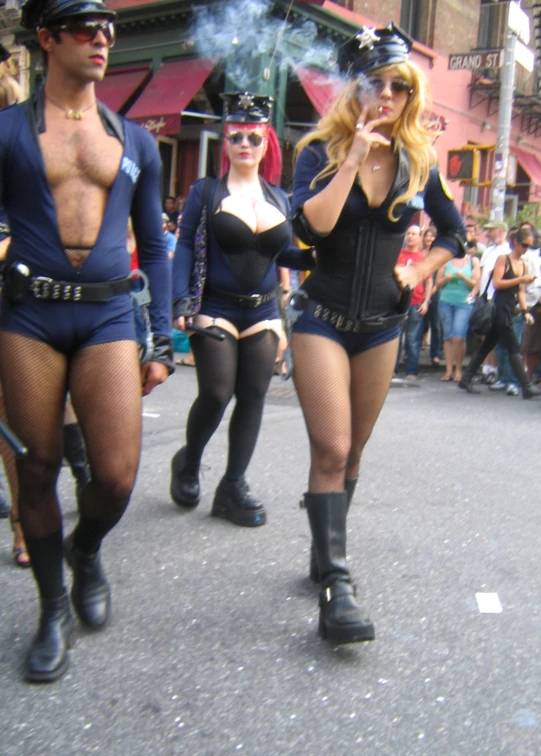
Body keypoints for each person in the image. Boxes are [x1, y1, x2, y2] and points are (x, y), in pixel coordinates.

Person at [0, 0, 173, 682]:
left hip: (105, 318)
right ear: (46, 39)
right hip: (28, 317)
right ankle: (50, 610)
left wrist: (160, 338)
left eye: (108, 27)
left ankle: (87, 548)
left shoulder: (135, 142)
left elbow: (155, 246)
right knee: (36, 469)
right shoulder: (9, 130)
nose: (101, 38)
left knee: (117, 476)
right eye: (83, 27)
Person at [289, 23, 466, 645]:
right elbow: (308, 232)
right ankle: (337, 585)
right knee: (332, 449)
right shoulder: (319, 151)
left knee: (354, 452)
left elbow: (454, 233)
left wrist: (418, 268)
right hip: (321, 320)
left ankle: (324, 550)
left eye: (399, 85)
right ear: (354, 90)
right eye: (376, 84)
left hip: (382, 326)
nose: (387, 95)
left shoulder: (419, 160)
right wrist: (356, 156)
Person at [171, 92, 313, 527]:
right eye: (236, 137)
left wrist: (315, 259)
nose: (245, 144)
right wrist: (180, 301)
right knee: (215, 392)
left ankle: (232, 486)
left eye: (253, 136)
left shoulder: (279, 197)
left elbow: (278, 255)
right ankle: (189, 460)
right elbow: (183, 246)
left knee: (253, 397)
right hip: (213, 306)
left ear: (266, 142)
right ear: (226, 143)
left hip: (263, 313)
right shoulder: (205, 191)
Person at [458, 227, 540, 399]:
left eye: (530, 246)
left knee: (489, 344)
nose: (526, 249)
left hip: (511, 308)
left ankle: (466, 378)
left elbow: (521, 291)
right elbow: (497, 283)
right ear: (515, 242)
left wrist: (525, 311)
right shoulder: (504, 259)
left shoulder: (524, 264)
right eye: (524, 245)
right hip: (499, 307)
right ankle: (526, 385)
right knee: (513, 346)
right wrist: (520, 279)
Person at [435, 242, 479, 382]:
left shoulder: (472, 261)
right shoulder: (446, 260)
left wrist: (464, 277)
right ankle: (448, 370)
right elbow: (438, 284)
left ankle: (458, 369)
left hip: (463, 302)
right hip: (446, 301)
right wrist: (445, 279)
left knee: (458, 337)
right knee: (448, 337)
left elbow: (476, 284)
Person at [394, 224, 432, 380]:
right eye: (408, 233)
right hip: (396, 302)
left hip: (416, 302)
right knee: (395, 338)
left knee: (413, 339)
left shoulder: (423, 258)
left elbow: (428, 281)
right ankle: (392, 370)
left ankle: (411, 371)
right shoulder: (397, 255)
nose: (410, 236)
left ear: (419, 237)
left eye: (414, 234)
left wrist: (426, 301)